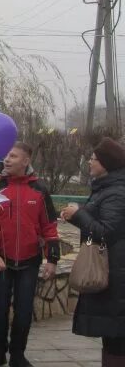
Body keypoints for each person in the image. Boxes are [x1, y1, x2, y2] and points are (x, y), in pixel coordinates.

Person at [0, 142, 60, 367]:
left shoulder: (40, 190)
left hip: (29, 262)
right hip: (1, 261)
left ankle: (17, 354)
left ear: (26, 161)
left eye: (13, 156)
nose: (7, 159)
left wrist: (52, 259)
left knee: (24, 311)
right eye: (6, 155)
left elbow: (49, 226)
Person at [60, 137, 125, 367]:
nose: (89, 162)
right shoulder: (106, 188)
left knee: (117, 338)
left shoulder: (116, 193)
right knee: (113, 338)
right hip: (113, 272)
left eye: (93, 159)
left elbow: (106, 231)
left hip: (117, 276)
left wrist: (79, 214)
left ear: (106, 163)